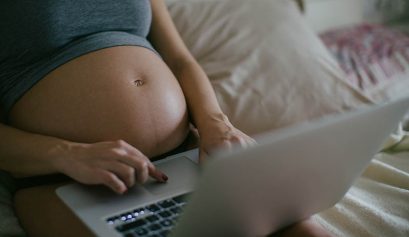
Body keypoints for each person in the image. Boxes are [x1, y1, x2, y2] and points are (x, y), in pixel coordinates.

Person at [0, 0, 333, 236]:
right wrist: (69, 155)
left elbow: (179, 60)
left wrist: (216, 122)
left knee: (308, 232)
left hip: (186, 158)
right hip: (69, 180)